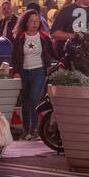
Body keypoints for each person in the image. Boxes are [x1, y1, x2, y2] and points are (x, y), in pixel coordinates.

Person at [10, 10, 54, 140]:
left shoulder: (44, 37)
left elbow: (51, 53)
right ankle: (26, 129)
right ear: (26, 23)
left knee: (34, 99)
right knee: (25, 101)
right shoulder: (20, 38)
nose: (35, 24)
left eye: (37, 21)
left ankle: (34, 129)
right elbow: (15, 56)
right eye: (32, 21)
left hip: (39, 71)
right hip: (24, 72)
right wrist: (16, 71)